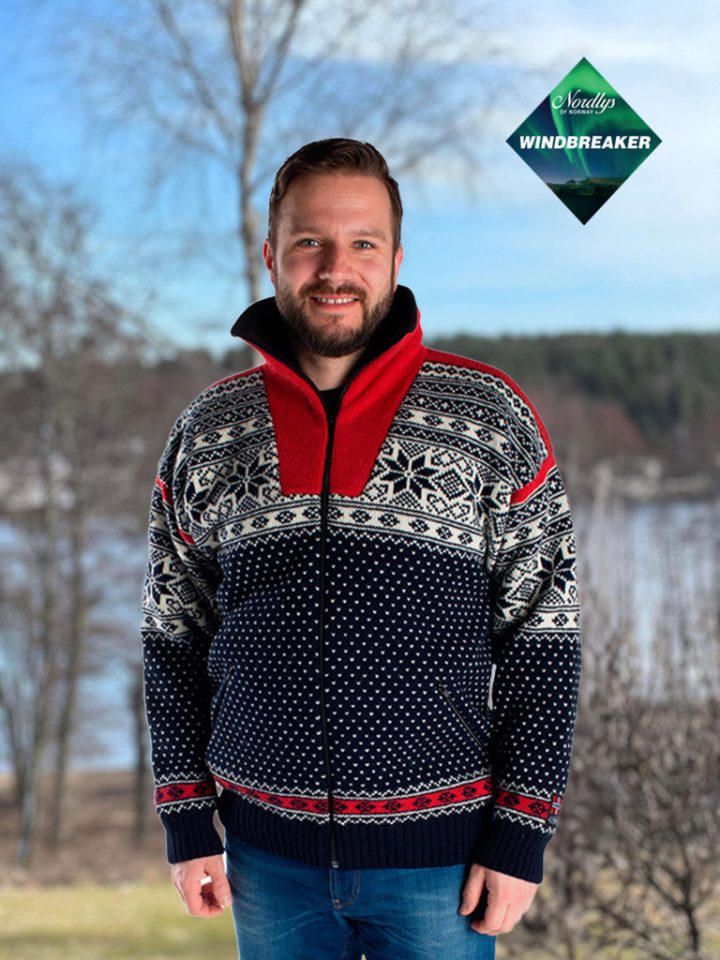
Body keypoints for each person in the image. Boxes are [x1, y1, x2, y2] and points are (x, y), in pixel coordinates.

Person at [140, 138, 582, 960]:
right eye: (310, 241)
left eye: (363, 243)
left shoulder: (490, 418)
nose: (335, 268)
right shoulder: (209, 431)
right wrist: (185, 816)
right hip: (266, 860)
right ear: (272, 256)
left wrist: (522, 831)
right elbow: (173, 636)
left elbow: (544, 635)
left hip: (441, 860)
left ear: (396, 260)